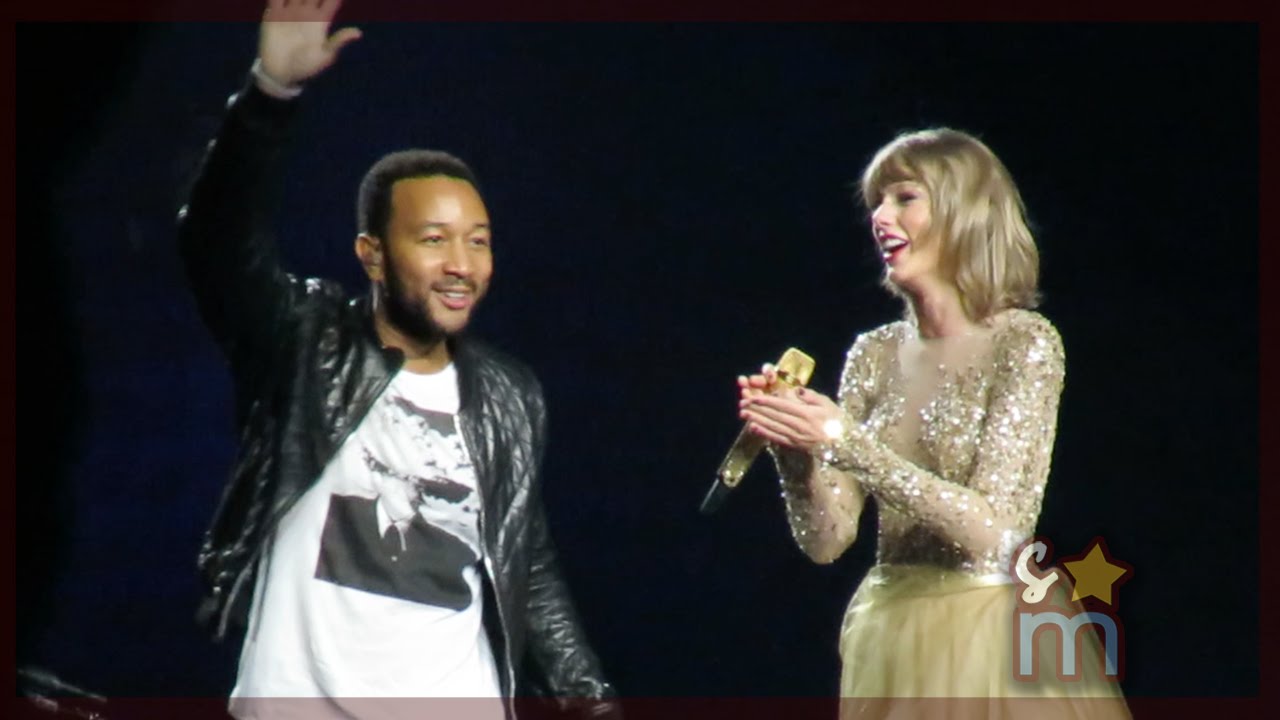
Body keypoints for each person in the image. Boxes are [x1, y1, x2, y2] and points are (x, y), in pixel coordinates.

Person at [176, 1, 617, 717]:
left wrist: (591, 701)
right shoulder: (304, 342)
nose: (461, 264)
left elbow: (527, 560)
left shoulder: (509, 392)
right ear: (372, 255)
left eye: (478, 241)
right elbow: (217, 244)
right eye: (434, 239)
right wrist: (268, 97)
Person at [737, 128, 1131, 718]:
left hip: (991, 644)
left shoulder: (1024, 343)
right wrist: (796, 450)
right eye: (876, 202)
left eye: (903, 197)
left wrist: (844, 441)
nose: (880, 216)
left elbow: (1000, 535)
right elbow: (827, 541)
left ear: (963, 211)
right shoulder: (872, 353)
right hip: (890, 639)